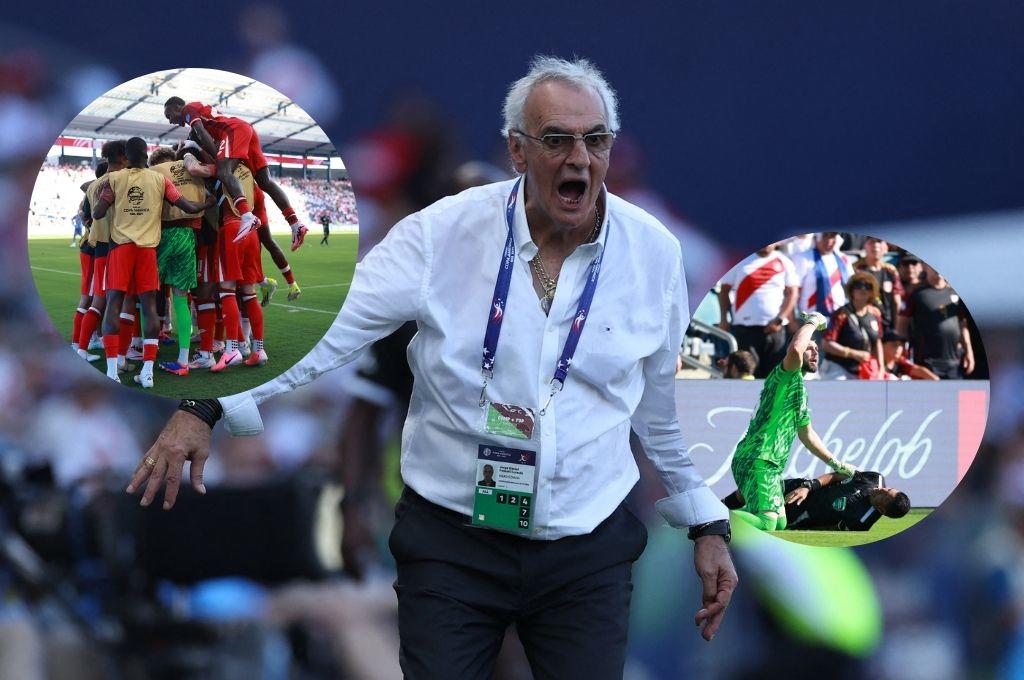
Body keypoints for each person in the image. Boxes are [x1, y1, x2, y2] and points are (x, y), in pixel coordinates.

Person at [128, 56, 737, 676]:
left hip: (586, 543)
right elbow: (330, 329)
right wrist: (208, 404)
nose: (579, 157)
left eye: (595, 140)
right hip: (457, 538)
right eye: (557, 139)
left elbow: (662, 407)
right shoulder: (440, 236)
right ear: (518, 152)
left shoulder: (655, 254)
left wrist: (706, 522)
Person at [92, 137, 212, 387]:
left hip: (121, 248)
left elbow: (97, 213)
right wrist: (207, 203)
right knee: (150, 306)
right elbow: (187, 206)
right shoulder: (160, 179)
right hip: (148, 249)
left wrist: (109, 200)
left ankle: (113, 369)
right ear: (146, 154)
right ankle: (148, 371)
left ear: (126, 156)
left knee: (115, 302)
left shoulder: (115, 179)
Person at [730, 311, 859, 532]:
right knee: (768, 522)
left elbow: (807, 434)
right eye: (811, 347)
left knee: (780, 523)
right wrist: (813, 322)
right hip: (758, 458)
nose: (815, 351)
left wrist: (836, 464)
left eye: (817, 348)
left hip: (767, 462)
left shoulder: (797, 386)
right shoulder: (786, 374)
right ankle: (711, 518)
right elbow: (796, 349)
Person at [163, 96, 309, 250]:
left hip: (233, 130)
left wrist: (219, 162)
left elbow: (200, 132)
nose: (170, 121)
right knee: (265, 182)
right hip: (246, 129)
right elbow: (198, 135)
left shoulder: (188, 110)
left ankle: (247, 216)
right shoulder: (198, 114)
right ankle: (295, 224)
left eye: (169, 115)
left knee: (223, 171)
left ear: (177, 107)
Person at [723, 470, 911, 531]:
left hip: (800, 514)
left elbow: (829, 531)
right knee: (751, 489)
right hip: (802, 488)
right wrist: (808, 486)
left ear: (883, 510)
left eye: (885, 494)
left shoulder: (861, 522)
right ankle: (721, 506)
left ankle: (722, 520)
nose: (883, 489)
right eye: (889, 488)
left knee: (759, 519)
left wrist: (803, 526)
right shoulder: (875, 478)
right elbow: (836, 476)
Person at [717, 241, 798, 377]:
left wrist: (779, 319)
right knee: (747, 375)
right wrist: (724, 319)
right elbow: (724, 290)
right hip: (745, 330)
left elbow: (792, 293)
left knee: (775, 377)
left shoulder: (784, 261)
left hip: (775, 331)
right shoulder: (739, 260)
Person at [896, 263, 975, 379]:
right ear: (925, 267)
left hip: (953, 360)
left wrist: (968, 351)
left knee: (954, 396)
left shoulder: (955, 294)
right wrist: (902, 350)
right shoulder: (915, 293)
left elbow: (962, 324)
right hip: (926, 362)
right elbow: (902, 324)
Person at [822, 271, 885, 379]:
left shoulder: (875, 314)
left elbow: (877, 341)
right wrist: (852, 353)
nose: (863, 289)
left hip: (863, 370)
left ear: (872, 292)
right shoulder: (841, 314)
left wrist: (881, 367)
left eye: (868, 286)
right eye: (858, 285)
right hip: (838, 368)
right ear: (851, 290)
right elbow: (826, 344)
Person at [793, 231, 853, 319]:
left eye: (832, 236)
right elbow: (792, 292)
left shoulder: (843, 259)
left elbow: (851, 287)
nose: (829, 241)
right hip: (809, 320)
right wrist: (792, 322)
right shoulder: (802, 258)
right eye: (825, 236)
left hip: (839, 318)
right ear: (816, 238)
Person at [853, 236, 903, 333]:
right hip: (864, 326)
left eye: (879, 241)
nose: (875, 245)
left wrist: (897, 328)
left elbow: (897, 301)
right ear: (864, 245)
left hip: (888, 325)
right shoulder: (856, 270)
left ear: (886, 247)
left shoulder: (890, 271)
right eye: (871, 241)